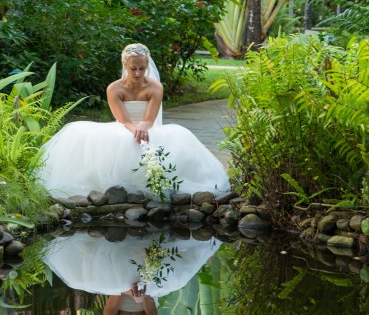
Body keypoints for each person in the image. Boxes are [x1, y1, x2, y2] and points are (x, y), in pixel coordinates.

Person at [38, 43, 230, 198]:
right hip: (125, 125)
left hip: (148, 126)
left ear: (147, 67)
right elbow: (122, 119)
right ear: (125, 66)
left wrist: (144, 127)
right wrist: (134, 130)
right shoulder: (114, 88)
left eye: (142, 68)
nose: (138, 73)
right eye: (133, 69)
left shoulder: (155, 87)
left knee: (180, 135)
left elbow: (150, 118)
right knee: (79, 132)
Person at [42, 231, 221, 315]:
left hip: (119, 283)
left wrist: (133, 292)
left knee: (79, 280)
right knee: (177, 279)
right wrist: (139, 296)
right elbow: (148, 297)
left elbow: (116, 293)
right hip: (148, 287)